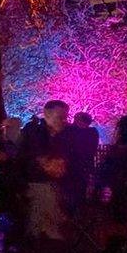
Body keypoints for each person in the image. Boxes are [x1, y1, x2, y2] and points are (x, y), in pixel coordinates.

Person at [18, 100, 77, 240]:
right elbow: (41, 160)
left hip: (50, 181)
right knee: (45, 199)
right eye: (60, 117)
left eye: (65, 117)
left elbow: (64, 159)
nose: (64, 121)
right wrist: (53, 165)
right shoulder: (35, 132)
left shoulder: (61, 136)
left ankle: (39, 234)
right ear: (47, 114)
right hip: (33, 180)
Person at [0, 117, 27, 253]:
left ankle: (13, 241)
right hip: (1, 182)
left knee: (16, 212)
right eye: (7, 127)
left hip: (16, 182)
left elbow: (24, 160)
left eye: (12, 127)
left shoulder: (22, 142)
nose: (8, 129)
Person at [68, 112, 100, 215]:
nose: (74, 121)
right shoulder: (88, 132)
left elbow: (86, 149)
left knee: (79, 188)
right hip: (77, 165)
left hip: (80, 165)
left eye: (77, 119)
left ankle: (77, 210)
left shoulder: (89, 132)